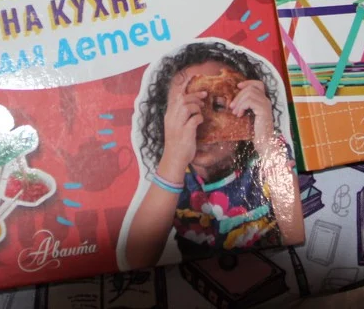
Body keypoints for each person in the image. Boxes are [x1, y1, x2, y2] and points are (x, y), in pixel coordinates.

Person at [123, 41, 303, 269]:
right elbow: (137, 258)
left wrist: (266, 143)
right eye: (186, 111)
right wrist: (173, 158)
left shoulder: (269, 157)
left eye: (218, 105)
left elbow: (296, 235)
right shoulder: (174, 177)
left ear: (249, 114)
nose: (200, 124)